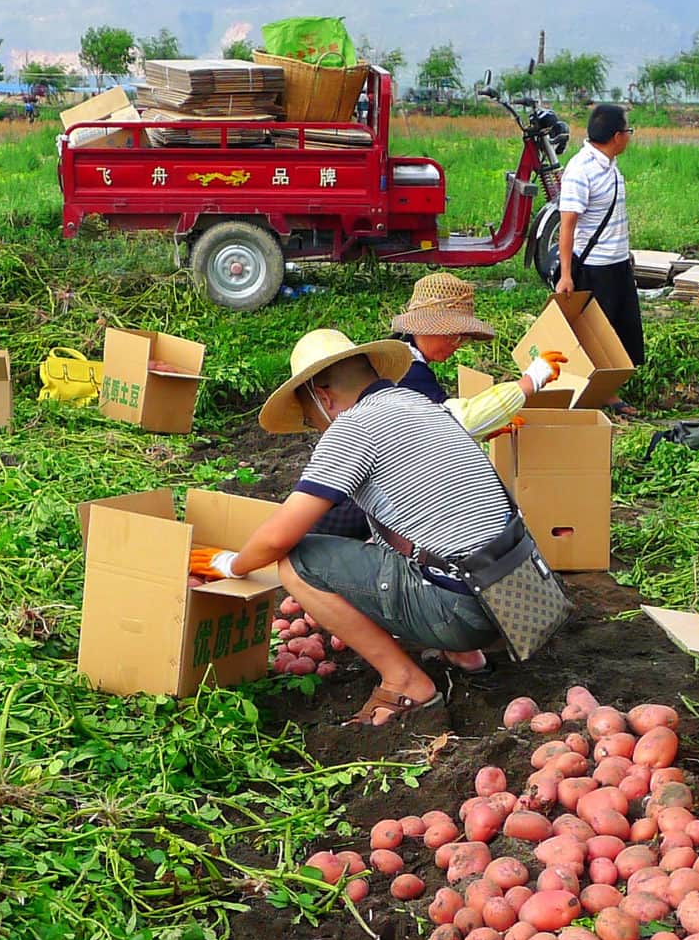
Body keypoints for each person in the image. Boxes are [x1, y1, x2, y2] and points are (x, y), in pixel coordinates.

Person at [192, 330, 535, 727]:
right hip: (517, 599)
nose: (317, 429)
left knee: (297, 561)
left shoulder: (352, 428)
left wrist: (232, 564)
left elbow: (277, 537)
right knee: (388, 536)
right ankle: (463, 655)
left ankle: (404, 680)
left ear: (323, 398)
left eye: (309, 420)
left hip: (465, 612)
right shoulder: (420, 404)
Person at [304, 274, 562, 556]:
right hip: (350, 504)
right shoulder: (409, 373)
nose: (457, 344)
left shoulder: (406, 364)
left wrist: (486, 430)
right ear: (424, 328)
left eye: (462, 338)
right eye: (452, 335)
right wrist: (530, 382)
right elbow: (458, 421)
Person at [555, 104, 645, 413]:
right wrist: (566, 275)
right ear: (618, 136)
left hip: (618, 264)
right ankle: (592, 394)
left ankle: (608, 389)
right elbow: (567, 227)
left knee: (622, 331)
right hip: (595, 269)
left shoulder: (610, 164)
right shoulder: (581, 170)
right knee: (595, 334)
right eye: (628, 131)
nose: (629, 137)